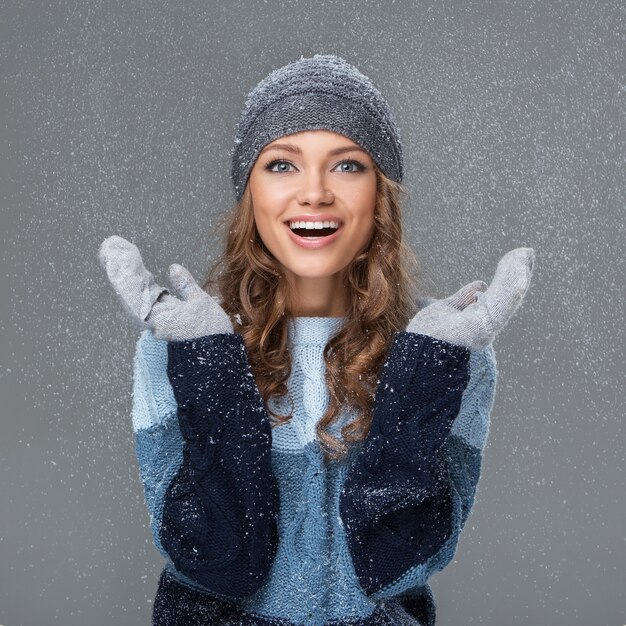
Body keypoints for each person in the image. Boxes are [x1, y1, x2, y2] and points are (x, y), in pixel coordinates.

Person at [99, 54, 535, 626]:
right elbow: (216, 562)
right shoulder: (181, 341)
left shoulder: (448, 351)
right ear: (248, 190)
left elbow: (397, 567)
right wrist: (210, 367)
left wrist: (425, 372)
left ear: (381, 191)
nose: (314, 193)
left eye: (347, 165)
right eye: (282, 165)